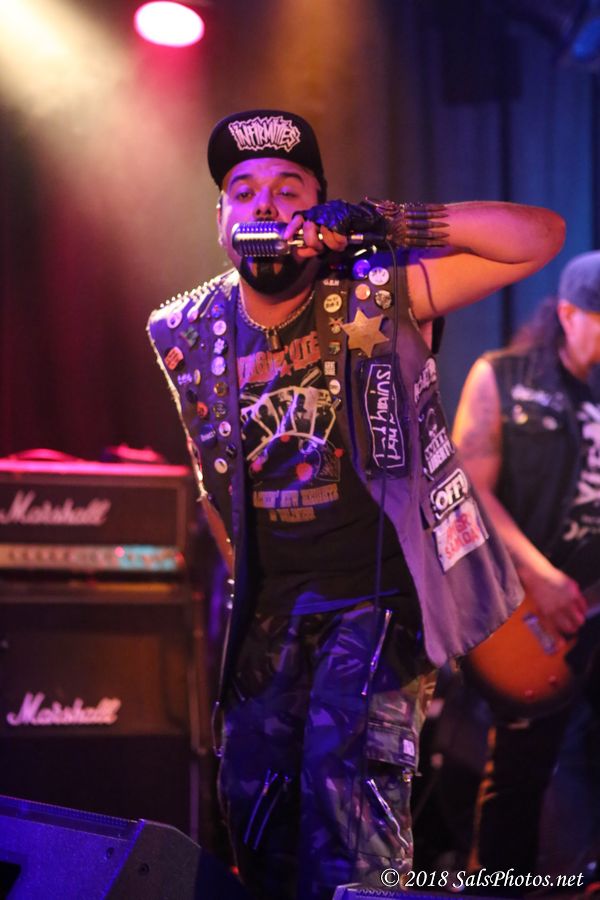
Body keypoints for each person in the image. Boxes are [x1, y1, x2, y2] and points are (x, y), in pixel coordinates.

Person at [147, 108, 564, 900]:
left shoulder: (379, 287)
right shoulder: (184, 328)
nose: (266, 204)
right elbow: (212, 481)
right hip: (271, 616)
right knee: (255, 822)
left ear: (318, 207)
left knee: (350, 826)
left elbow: (539, 237)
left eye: (288, 188)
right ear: (221, 217)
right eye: (244, 190)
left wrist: (387, 221)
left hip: (378, 602)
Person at [453, 252, 600, 884]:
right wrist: (540, 575)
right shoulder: (503, 377)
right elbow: (467, 488)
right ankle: (496, 890)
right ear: (567, 313)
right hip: (536, 611)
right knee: (519, 776)